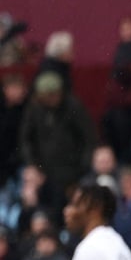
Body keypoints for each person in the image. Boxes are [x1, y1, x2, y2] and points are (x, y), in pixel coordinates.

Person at [18, 71, 97, 208]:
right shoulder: (35, 108)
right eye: (47, 96)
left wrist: (83, 166)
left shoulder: (73, 106)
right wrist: (32, 164)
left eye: (54, 95)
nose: (51, 99)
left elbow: (89, 138)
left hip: (72, 170)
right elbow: (26, 139)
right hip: (44, 171)